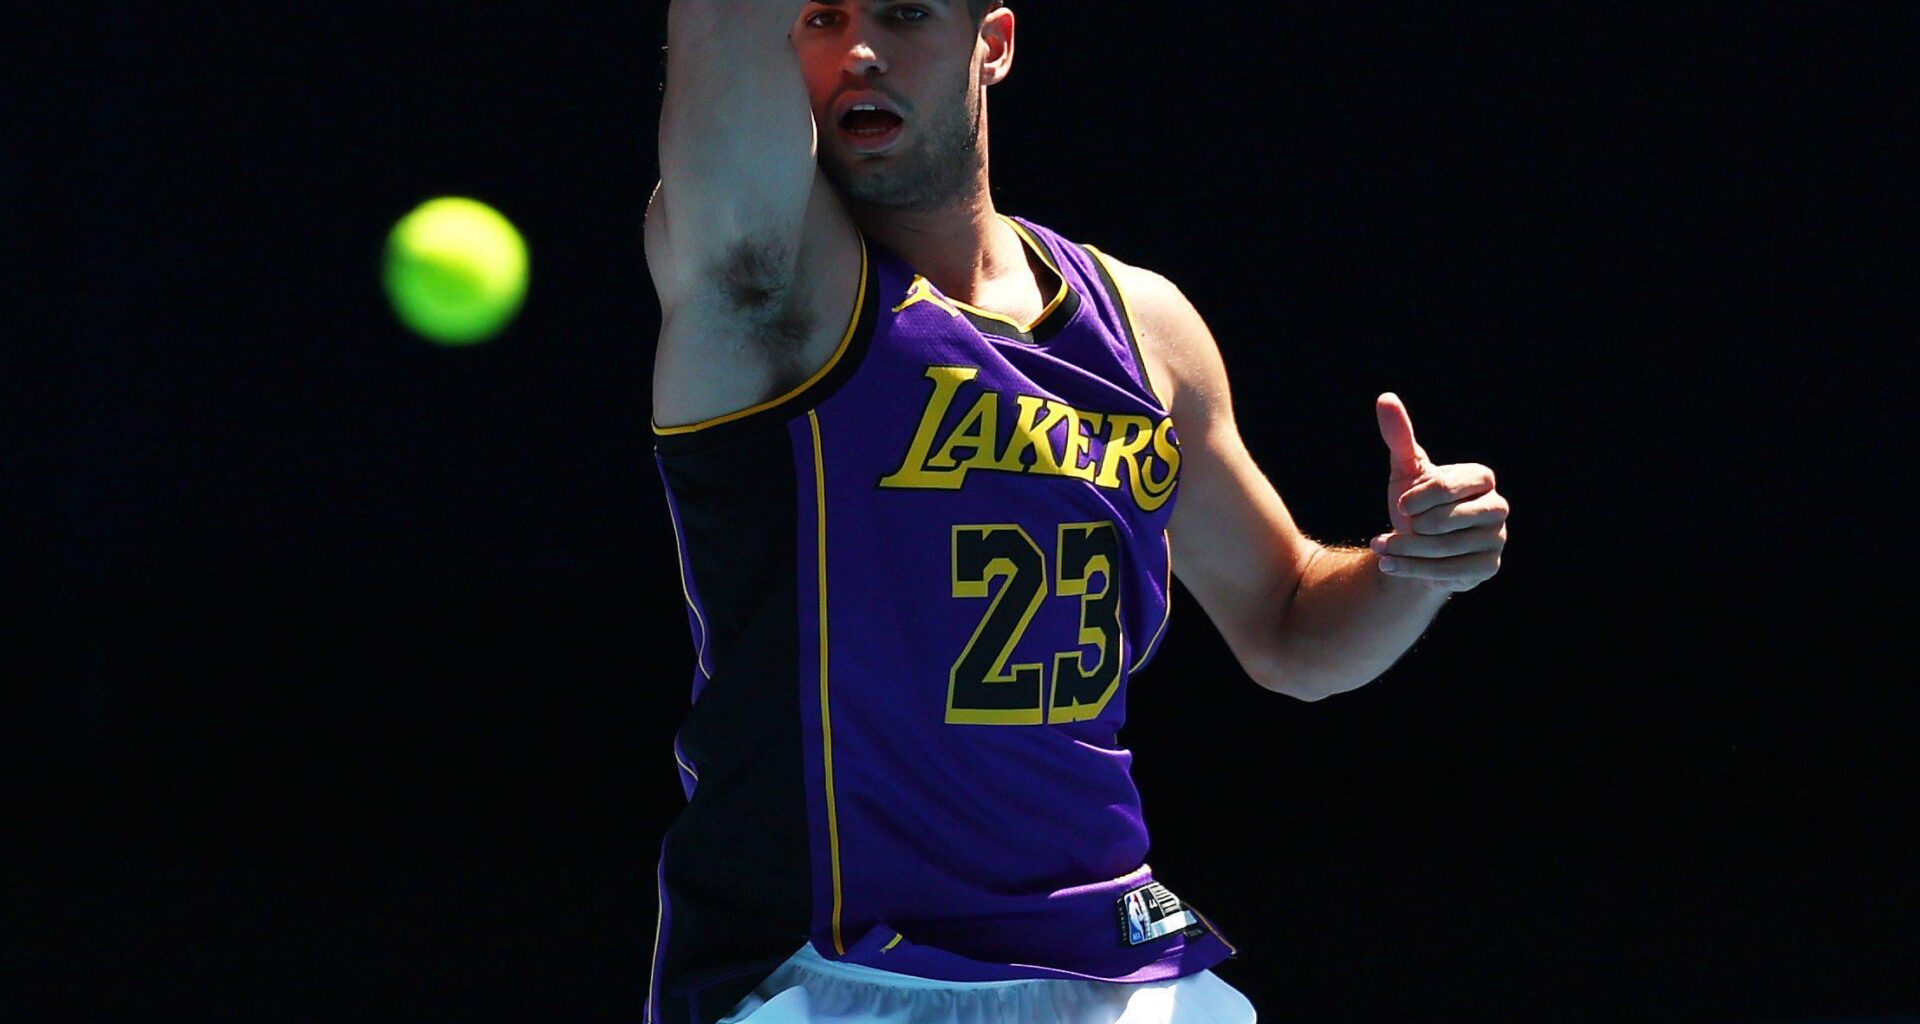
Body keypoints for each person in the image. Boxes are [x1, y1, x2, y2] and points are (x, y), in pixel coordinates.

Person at [641, 2, 1511, 1023]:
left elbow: (1290, 627)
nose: (858, 51)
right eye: (821, 18)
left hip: (1124, 966)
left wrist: (1412, 566)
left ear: (994, 44)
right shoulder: (774, 290)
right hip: (844, 973)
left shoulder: (1145, 328)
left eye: (905, 14)